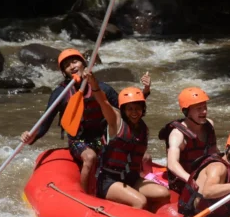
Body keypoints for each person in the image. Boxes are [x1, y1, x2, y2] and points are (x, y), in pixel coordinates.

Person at [21, 48, 151, 192]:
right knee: (90, 157)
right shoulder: (61, 94)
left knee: (143, 156)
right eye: (67, 65)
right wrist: (31, 137)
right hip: (78, 140)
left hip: (103, 138)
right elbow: (45, 123)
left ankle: (138, 185)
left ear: (84, 64)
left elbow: (126, 109)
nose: (72, 66)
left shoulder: (102, 89)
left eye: (75, 61)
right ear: (64, 72)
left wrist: (144, 91)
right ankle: (85, 197)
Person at [84, 71, 170, 210]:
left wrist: (146, 90)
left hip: (131, 178)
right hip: (109, 180)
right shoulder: (115, 122)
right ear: (123, 110)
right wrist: (94, 85)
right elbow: (103, 102)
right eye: (130, 109)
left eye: (137, 109)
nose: (134, 112)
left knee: (163, 194)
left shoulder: (142, 128)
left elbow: (139, 101)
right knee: (140, 201)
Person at [158, 87, 217, 194]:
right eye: (198, 108)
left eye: (205, 107)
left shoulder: (209, 125)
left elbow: (214, 152)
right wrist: (189, 179)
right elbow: (172, 163)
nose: (204, 111)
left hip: (204, 175)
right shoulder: (177, 134)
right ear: (187, 111)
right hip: (185, 182)